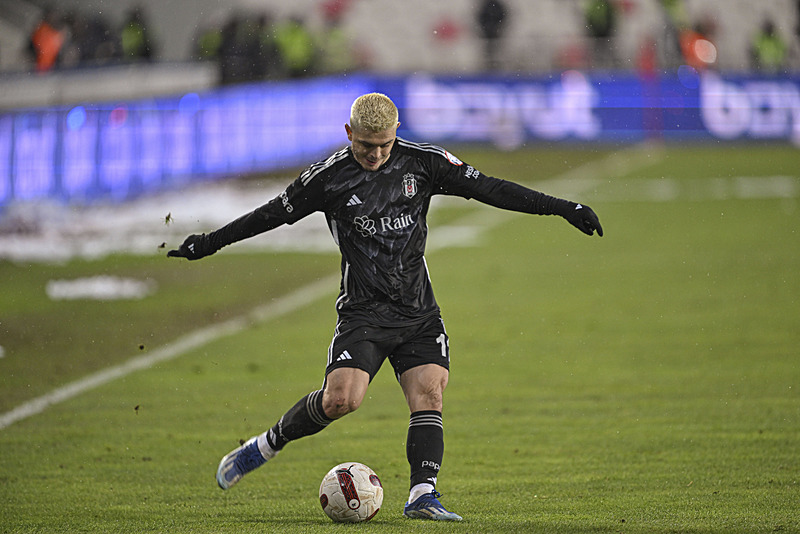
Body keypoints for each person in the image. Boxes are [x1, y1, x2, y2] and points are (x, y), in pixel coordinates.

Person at [168, 93, 602, 521]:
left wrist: (563, 208)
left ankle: (422, 494)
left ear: (397, 133)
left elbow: (490, 188)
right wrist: (208, 244)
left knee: (430, 393)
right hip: (364, 313)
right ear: (348, 132)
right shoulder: (327, 178)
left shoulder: (423, 162)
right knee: (342, 400)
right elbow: (269, 215)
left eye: (384, 144)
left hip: (417, 310)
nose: (375, 154)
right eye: (365, 144)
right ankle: (264, 445)